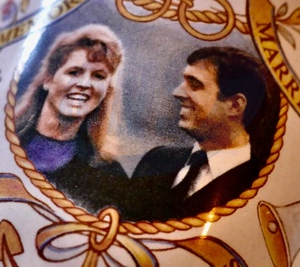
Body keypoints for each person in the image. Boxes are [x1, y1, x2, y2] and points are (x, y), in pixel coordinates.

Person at [125, 46, 280, 221]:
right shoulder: (156, 161)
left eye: (194, 84)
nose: (177, 93)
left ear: (235, 105)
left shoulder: (262, 183)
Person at [14, 24, 128, 214]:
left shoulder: (108, 175)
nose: (84, 84)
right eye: (74, 72)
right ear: (48, 79)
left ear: (107, 91)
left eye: (98, 76)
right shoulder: (6, 139)